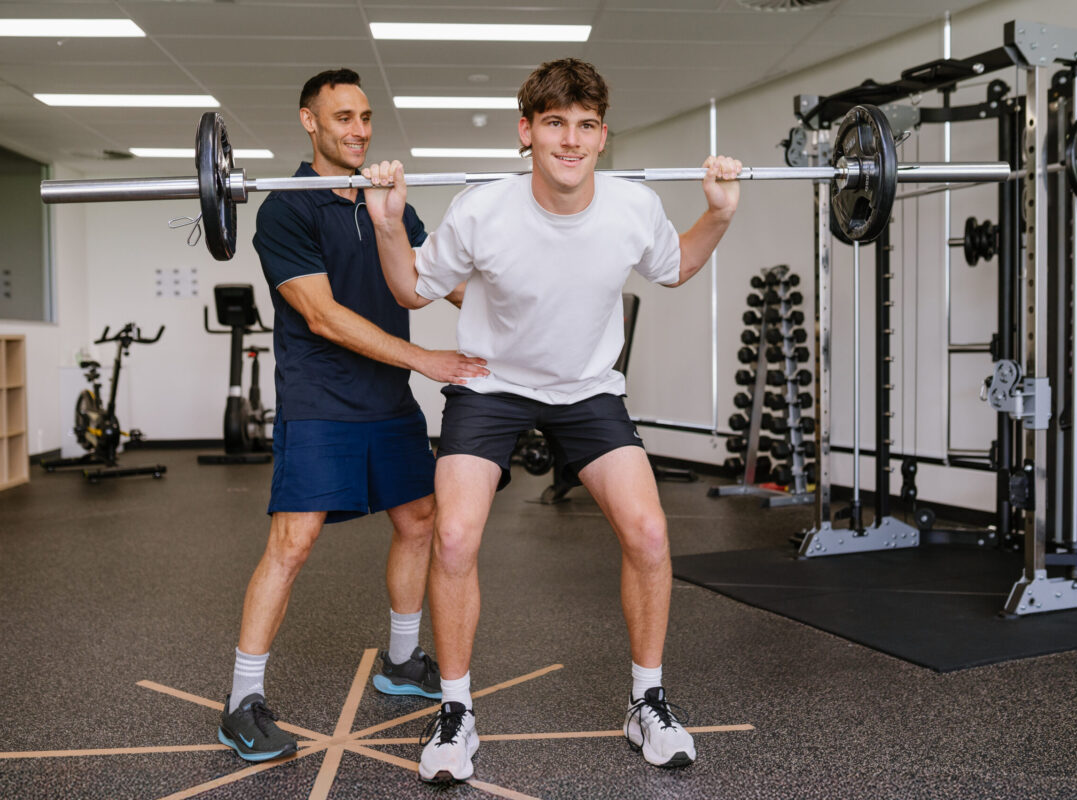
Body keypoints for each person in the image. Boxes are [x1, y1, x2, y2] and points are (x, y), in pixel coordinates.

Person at [364, 57, 741, 783]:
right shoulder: (481, 208)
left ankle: (646, 702)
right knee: (452, 536)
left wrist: (719, 213)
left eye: (585, 126)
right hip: (492, 384)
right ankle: (455, 711)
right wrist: (386, 226)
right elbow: (412, 288)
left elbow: (677, 266)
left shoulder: (631, 207)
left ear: (603, 137)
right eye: (554, 124)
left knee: (650, 532)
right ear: (526, 133)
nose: (570, 140)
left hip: (588, 388)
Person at [216, 68, 489, 763]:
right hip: (320, 400)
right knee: (294, 542)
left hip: (387, 402)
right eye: (342, 117)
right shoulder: (286, 209)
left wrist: (520, 308)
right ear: (309, 122)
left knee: (419, 520)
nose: (359, 130)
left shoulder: (386, 200)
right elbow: (322, 314)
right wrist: (423, 358)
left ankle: (401, 661)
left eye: (365, 117)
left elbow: (433, 278)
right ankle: (240, 700)